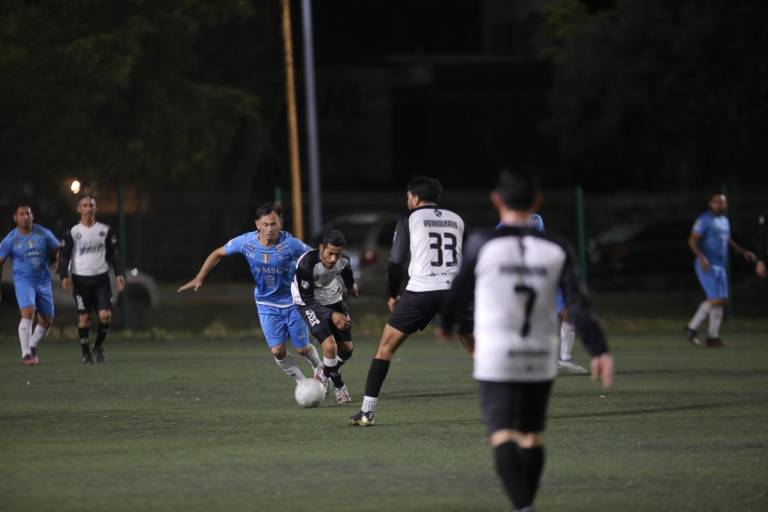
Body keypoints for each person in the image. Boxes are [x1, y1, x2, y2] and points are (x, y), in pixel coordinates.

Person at [440, 170, 613, 512]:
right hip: (539, 354)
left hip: (496, 355)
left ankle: (523, 507)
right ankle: (526, 505)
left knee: (503, 434)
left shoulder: (483, 243)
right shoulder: (556, 247)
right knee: (532, 436)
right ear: (536, 203)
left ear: (496, 200)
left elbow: (458, 290)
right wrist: (599, 349)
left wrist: (446, 324)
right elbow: (578, 303)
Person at [349, 176, 473, 427]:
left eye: (408, 196)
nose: (407, 200)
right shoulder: (457, 219)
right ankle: (508, 408)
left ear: (415, 198)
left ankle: (366, 412)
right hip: (455, 291)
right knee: (477, 350)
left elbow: (396, 260)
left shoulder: (409, 218)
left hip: (422, 291)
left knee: (385, 349)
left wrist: (393, 294)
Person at [178, 203, 324, 383]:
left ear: (280, 224)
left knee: (302, 349)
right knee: (277, 351)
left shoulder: (290, 244)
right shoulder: (246, 242)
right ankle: (302, 384)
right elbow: (218, 253)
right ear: (257, 224)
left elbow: (315, 257)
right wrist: (199, 277)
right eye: (265, 224)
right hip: (266, 303)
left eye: (273, 224)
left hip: (293, 301)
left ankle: (319, 368)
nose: (270, 229)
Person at [292, 229, 358, 404]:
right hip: (308, 303)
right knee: (330, 347)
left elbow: (346, 271)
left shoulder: (343, 260)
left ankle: (325, 371)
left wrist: (351, 286)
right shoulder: (306, 264)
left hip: (333, 298)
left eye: (337, 254)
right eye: (329, 254)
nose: (333, 259)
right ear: (321, 249)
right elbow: (307, 299)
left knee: (347, 350)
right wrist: (332, 315)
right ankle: (339, 387)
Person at [58, 194, 125, 364]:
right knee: (84, 318)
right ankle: (86, 353)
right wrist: (64, 276)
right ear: (79, 209)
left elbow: (113, 255)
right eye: (85, 205)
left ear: (95, 208)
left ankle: (98, 347)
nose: (88, 208)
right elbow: (64, 256)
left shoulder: (105, 230)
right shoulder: (73, 232)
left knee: (105, 316)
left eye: (91, 205)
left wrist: (119, 274)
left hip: (101, 279)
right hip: (81, 281)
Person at [684, 193, 757, 347]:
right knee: (715, 299)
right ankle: (691, 328)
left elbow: (727, 239)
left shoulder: (724, 221)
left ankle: (713, 337)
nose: (720, 205)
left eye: (723, 202)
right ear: (710, 203)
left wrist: (743, 251)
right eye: (717, 202)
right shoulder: (704, 219)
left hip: (720, 265)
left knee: (721, 301)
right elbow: (692, 240)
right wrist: (701, 257)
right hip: (706, 264)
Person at [0, 204, 61, 365]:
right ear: (15, 218)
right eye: (21, 214)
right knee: (28, 312)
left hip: (43, 281)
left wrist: (57, 261)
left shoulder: (43, 233)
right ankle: (26, 354)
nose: (25, 217)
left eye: (28, 214)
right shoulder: (10, 239)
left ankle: (32, 345)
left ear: (32, 216)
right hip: (23, 281)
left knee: (47, 321)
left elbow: (58, 248)